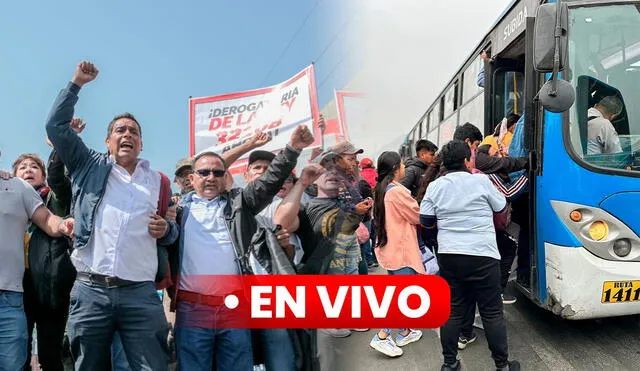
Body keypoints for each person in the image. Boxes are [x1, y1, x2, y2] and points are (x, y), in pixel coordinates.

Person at [45, 61, 179, 371]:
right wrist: (77, 83)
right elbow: (55, 127)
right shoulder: (88, 165)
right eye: (120, 130)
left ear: (141, 143)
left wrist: (166, 229)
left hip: (141, 295)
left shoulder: (158, 181)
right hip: (91, 291)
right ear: (108, 142)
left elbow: (171, 231)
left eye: (133, 131)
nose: (127, 134)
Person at [169, 125, 314, 371]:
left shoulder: (239, 202)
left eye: (217, 172)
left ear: (225, 176)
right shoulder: (176, 211)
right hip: (192, 310)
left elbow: (268, 182)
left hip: (234, 307)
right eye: (204, 173)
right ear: (191, 179)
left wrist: (293, 149)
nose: (211, 177)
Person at [420, 140, 520, 371]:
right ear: (467, 161)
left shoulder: (436, 186)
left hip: (450, 256)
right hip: (483, 255)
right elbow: (500, 207)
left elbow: (426, 221)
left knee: (453, 310)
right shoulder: (480, 181)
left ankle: (449, 363)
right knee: (492, 312)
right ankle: (502, 366)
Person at [274, 151, 373, 338]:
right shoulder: (307, 207)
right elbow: (283, 222)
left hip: (348, 245)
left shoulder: (343, 198)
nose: (333, 175)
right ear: (315, 179)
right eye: (326, 171)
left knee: (351, 277)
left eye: (337, 172)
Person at [0, 150, 73, 371]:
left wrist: (63, 225)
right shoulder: (13, 187)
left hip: (39, 290)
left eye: (34, 167)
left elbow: (49, 217)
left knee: (46, 354)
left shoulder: (35, 194)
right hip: (21, 287)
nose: (28, 170)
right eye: (22, 167)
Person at [368, 151, 423, 358]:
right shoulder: (397, 193)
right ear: (394, 169)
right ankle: (382, 336)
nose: (404, 168)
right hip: (401, 251)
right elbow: (416, 215)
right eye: (401, 165)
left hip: (390, 250)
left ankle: (404, 331)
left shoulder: (382, 190)